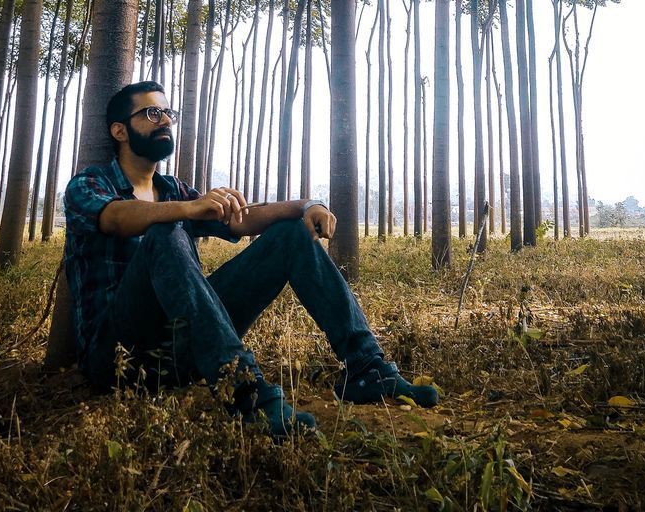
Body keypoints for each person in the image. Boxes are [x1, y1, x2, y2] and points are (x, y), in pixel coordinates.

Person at [63, 80, 439, 439]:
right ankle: (247, 394)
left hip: (182, 351)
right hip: (117, 357)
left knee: (291, 233)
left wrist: (306, 205)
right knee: (165, 229)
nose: (164, 121)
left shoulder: (172, 189)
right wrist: (188, 208)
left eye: (168, 112)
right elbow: (114, 217)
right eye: (151, 114)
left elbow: (241, 220)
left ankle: (367, 368)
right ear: (120, 131)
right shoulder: (89, 184)